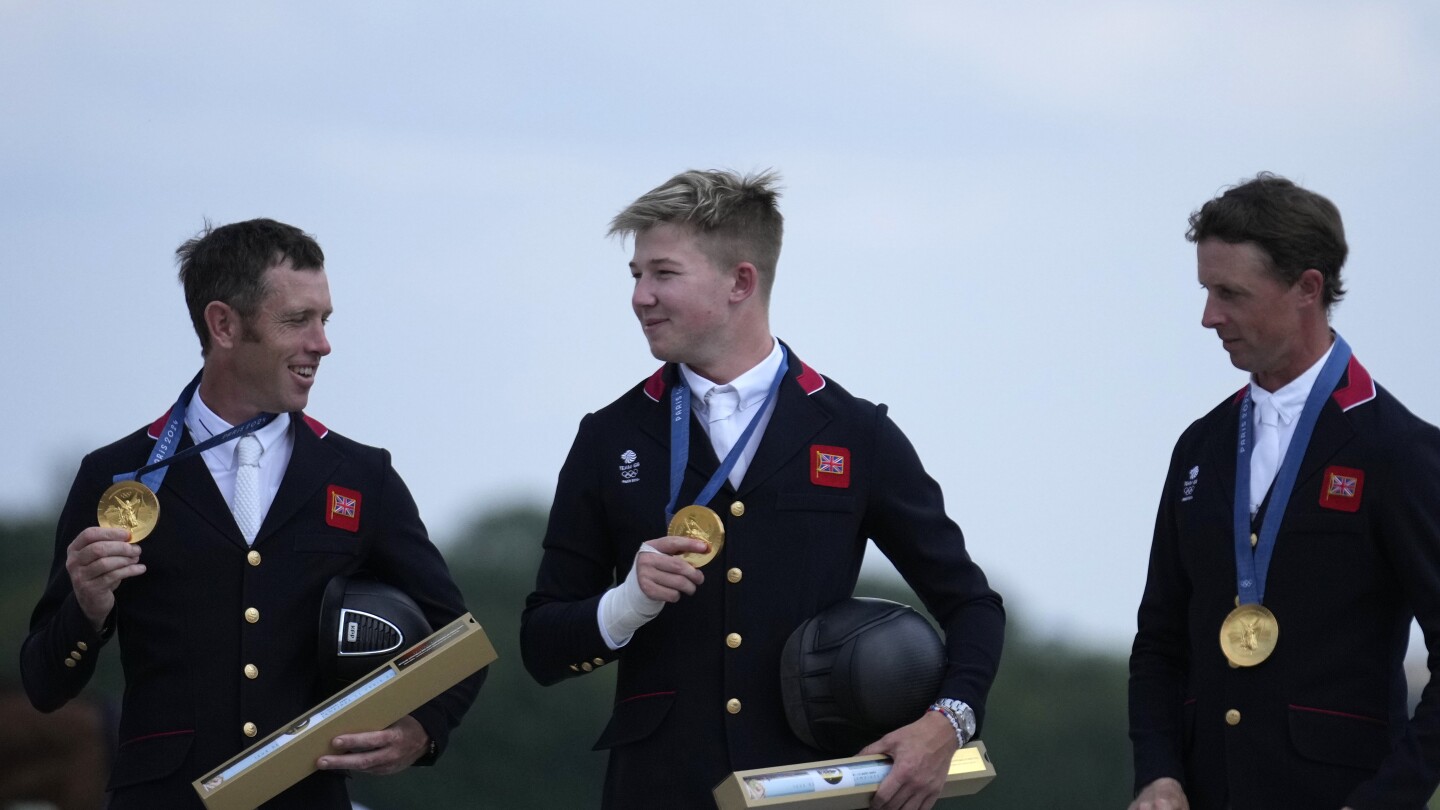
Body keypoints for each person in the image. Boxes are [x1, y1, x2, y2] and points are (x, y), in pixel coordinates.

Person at [520, 170, 1004, 809]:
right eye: (635, 276)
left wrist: (948, 723)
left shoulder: (856, 433)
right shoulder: (608, 437)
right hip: (658, 791)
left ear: (740, 282)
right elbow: (542, 645)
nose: (640, 296)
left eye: (662, 273)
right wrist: (628, 601)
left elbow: (973, 605)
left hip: (812, 792)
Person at [20, 219, 483, 809]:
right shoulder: (116, 475)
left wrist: (423, 731)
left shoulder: (361, 476)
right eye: (297, 321)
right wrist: (86, 609)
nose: (322, 343)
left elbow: (459, 645)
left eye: (325, 319)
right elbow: (42, 684)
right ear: (224, 325)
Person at [1128, 174, 1440, 809]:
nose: (1209, 316)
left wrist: (1385, 801)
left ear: (1307, 288)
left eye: (1230, 293)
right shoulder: (1201, 447)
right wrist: (1158, 773)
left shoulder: (1398, 451)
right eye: (1206, 290)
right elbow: (1160, 636)